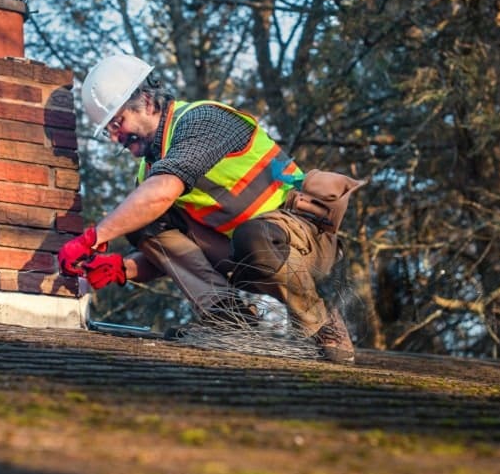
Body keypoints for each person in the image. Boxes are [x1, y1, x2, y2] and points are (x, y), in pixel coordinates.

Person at [58, 54, 359, 363]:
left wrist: (93, 237)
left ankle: (322, 324)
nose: (114, 137)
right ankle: (227, 320)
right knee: (142, 220)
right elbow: (177, 255)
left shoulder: (202, 121)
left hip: (305, 245)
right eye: (108, 130)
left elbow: (161, 193)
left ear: (147, 102)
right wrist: (123, 269)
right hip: (246, 255)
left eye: (117, 123)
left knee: (252, 233)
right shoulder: (151, 173)